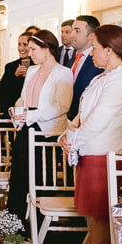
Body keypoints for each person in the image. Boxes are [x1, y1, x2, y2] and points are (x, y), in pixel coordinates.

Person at [59, 25, 122, 244]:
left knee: (101, 214)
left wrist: (75, 140)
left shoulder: (121, 80)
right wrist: (67, 134)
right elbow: (82, 116)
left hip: (104, 153)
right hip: (88, 150)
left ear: (110, 50)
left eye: (96, 48)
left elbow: (99, 121)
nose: (92, 53)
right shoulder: (101, 77)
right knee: (91, 214)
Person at [6, 30, 73, 221]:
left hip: (48, 131)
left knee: (41, 178)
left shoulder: (63, 73)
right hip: (27, 126)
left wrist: (32, 115)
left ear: (47, 49)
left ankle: (41, 223)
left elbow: (62, 105)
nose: (30, 53)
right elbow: (24, 97)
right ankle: (15, 221)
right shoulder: (33, 71)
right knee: (18, 175)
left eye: (34, 49)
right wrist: (16, 111)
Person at [0, 27, 40, 120]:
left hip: (33, 115)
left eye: (25, 44)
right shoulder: (10, 66)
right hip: (12, 113)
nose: (21, 48)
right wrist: (14, 76)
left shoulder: (39, 65)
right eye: (19, 44)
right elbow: (1, 91)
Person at [66, 15, 102, 120]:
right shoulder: (72, 59)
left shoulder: (98, 61)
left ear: (91, 36)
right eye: (72, 30)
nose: (71, 35)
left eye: (77, 31)